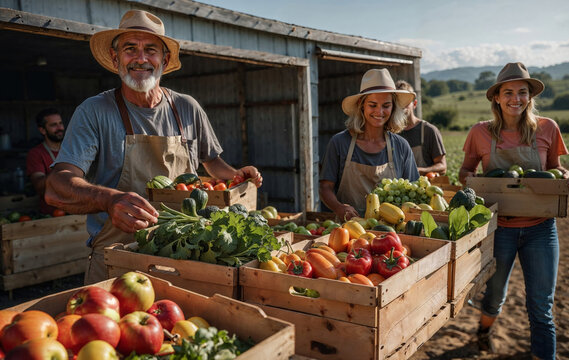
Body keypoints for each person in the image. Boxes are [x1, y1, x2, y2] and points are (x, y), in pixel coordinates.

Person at [45, 10, 263, 284]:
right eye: (130, 49)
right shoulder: (95, 112)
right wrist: (110, 199)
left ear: (165, 59)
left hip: (185, 254)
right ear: (115, 58)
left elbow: (212, 162)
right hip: (120, 258)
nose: (141, 58)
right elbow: (56, 186)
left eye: (151, 49)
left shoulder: (186, 108)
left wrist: (236, 175)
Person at [458, 62, 568, 359]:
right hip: (497, 230)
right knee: (494, 298)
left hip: (541, 229)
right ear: (496, 97)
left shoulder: (547, 128)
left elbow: (556, 170)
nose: (515, 99)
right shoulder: (480, 132)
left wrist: (564, 175)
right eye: (508, 92)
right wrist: (476, 182)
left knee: (540, 305)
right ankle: (483, 331)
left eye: (522, 92)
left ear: (530, 96)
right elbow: (465, 172)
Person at [319, 68, 419, 220]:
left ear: (393, 107)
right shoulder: (339, 143)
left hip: (392, 236)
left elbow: (413, 192)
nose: (379, 112)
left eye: (386, 105)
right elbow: (325, 188)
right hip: (348, 232)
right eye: (373, 105)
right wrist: (339, 207)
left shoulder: (401, 146)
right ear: (361, 105)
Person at [396, 80, 447, 176]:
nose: (401, 106)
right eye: (398, 102)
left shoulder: (428, 130)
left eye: (405, 102)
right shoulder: (390, 132)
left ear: (414, 104)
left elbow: (442, 167)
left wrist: (417, 171)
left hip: (424, 188)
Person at [26, 108, 65, 215]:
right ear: (42, 130)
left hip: (77, 212)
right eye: (53, 125)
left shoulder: (71, 150)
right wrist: (63, 169)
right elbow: (39, 186)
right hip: (53, 214)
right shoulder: (36, 153)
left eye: (60, 123)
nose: (60, 128)